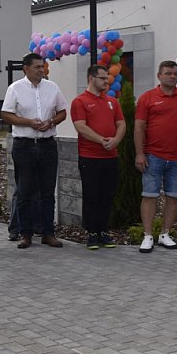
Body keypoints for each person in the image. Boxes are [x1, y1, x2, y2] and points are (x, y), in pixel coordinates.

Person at [1, 53, 67, 249]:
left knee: (47, 192)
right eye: (37, 67)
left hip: (47, 145)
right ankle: (25, 233)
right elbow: (6, 114)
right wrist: (28, 122)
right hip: (25, 145)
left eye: (43, 67)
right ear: (26, 68)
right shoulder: (15, 89)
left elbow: (63, 111)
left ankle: (48, 233)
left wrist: (52, 121)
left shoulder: (52, 87)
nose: (41, 70)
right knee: (24, 191)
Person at [134, 60, 177, 253]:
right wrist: (140, 154)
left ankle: (165, 234)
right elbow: (139, 127)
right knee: (149, 196)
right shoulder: (147, 98)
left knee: (173, 197)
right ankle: (148, 235)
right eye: (168, 73)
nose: (172, 76)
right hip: (153, 156)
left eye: (175, 73)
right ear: (159, 76)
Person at [71, 64, 126, 250]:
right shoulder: (80, 101)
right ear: (91, 78)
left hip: (110, 156)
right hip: (90, 157)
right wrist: (101, 140)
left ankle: (103, 231)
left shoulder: (112, 102)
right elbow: (81, 127)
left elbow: (121, 124)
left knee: (107, 195)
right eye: (102, 78)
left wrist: (116, 140)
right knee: (91, 195)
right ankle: (92, 233)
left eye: (107, 78)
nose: (106, 81)